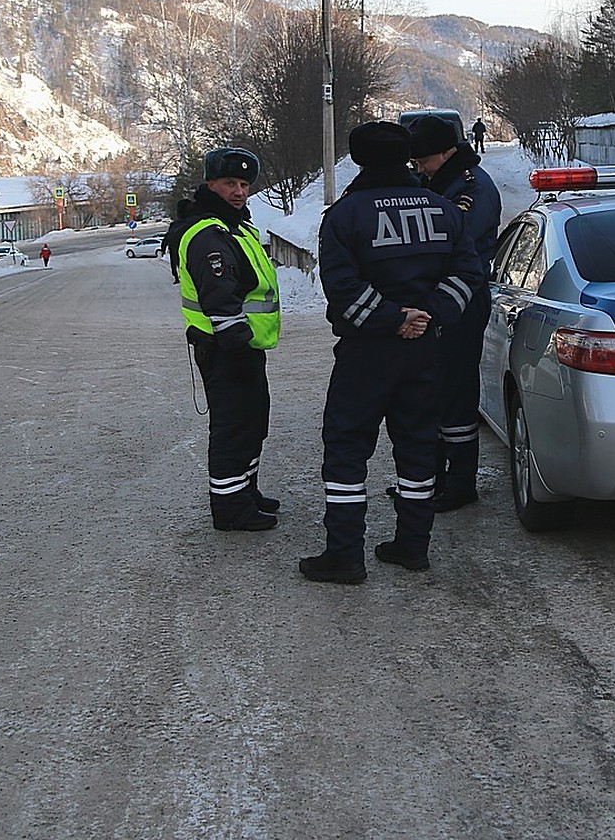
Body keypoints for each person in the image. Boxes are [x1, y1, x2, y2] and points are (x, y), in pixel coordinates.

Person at [299, 121, 486, 584]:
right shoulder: (444, 210)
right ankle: (412, 546)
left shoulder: (344, 216)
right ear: (405, 157)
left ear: (358, 160)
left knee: (346, 448)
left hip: (367, 352)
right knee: (419, 444)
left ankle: (344, 554)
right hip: (426, 348)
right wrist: (429, 314)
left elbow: (342, 289)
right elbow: (470, 272)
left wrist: (391, 318)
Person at [178, 148, 282, 532]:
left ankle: (244, 490)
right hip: (226, 348)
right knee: (233, 426)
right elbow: (220, 299)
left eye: (243, 184)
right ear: (210, 185)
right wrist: (238, 346)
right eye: (229, 184)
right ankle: (229, 507)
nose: (239, 191)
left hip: (242, 347)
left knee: (252, 422)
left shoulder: (235, 226)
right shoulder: (209, 233)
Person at [407, 113, 501, 511]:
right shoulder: (442, 182)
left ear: (446, 154)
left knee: (456, 392)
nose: (420, 170)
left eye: (424, 162)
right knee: (434, 392)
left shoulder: (470, 188)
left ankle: (460, 482)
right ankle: (435, 478)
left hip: (462, 299)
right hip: (440, 299)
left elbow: (447, 243)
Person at [161, 198, 194, 284]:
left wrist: (163, 249)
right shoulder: (195, 223)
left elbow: (167, 238)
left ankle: (177, 277)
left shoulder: (174, 225)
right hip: (189, 252)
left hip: (175, 249)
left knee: (177, 263)